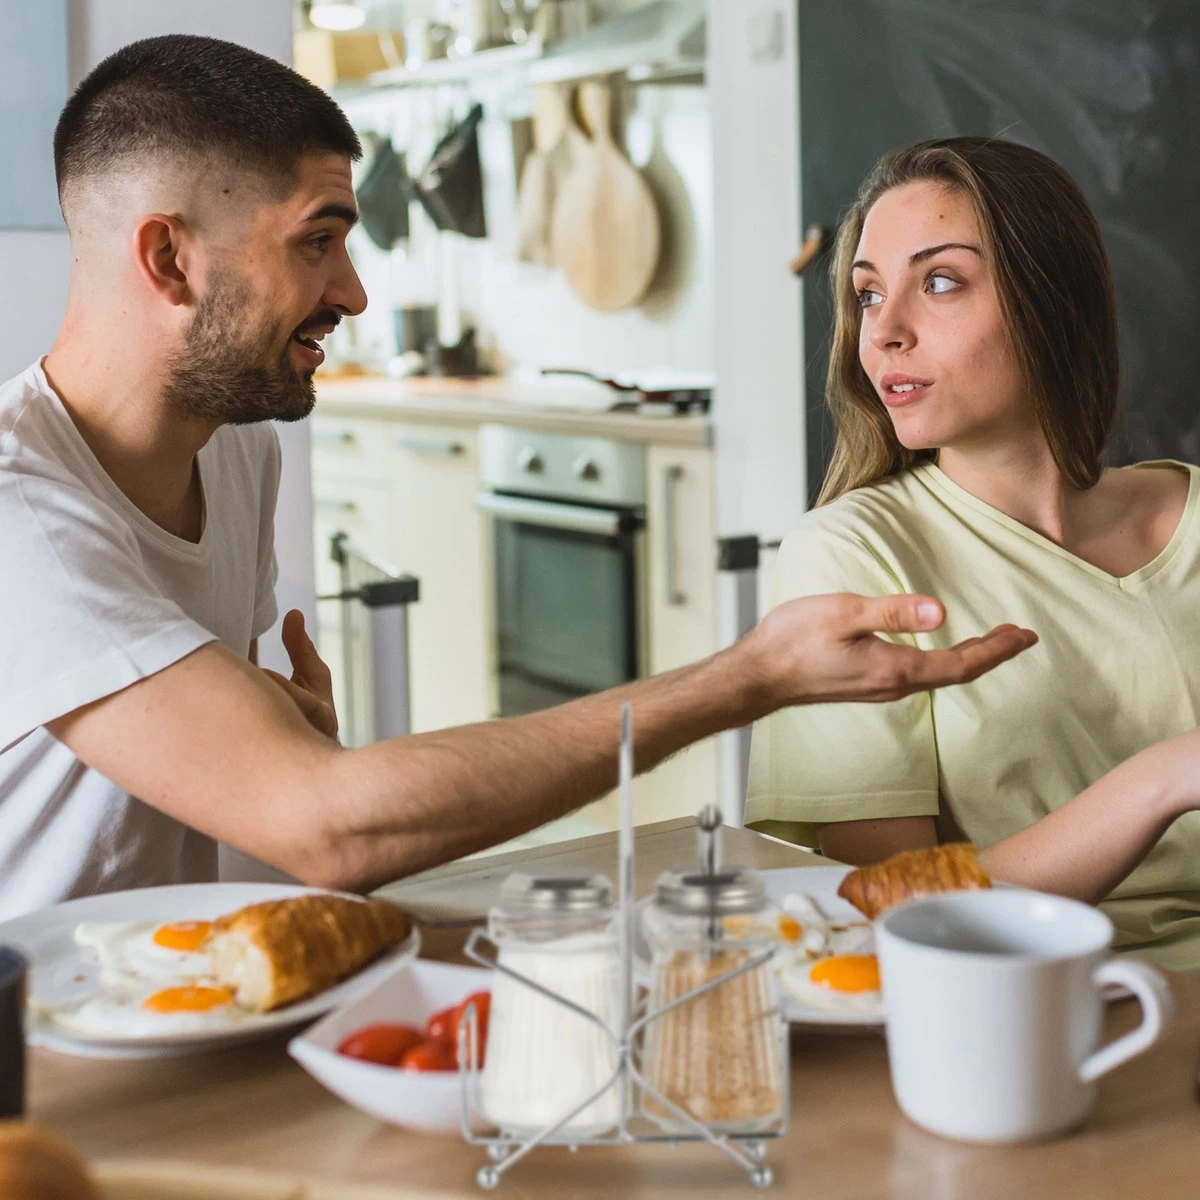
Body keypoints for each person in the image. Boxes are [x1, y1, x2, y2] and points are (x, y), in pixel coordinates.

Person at [0, 38, 1035, 922]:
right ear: (169, 260)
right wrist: (747, 677)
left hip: (152, 996)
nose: (353, 293)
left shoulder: (234, 447)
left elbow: (241, 806)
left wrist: (271, 756)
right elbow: (326, 825)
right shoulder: (20, 508)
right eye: (317, 242)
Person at [745, 136, 1200, 970]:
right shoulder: (849, 556)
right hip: (1059, 1005)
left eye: (940, 282)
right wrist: (1164, 780)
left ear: (1049, 301)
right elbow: (888, 906)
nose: (884, 332)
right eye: (868, 294)